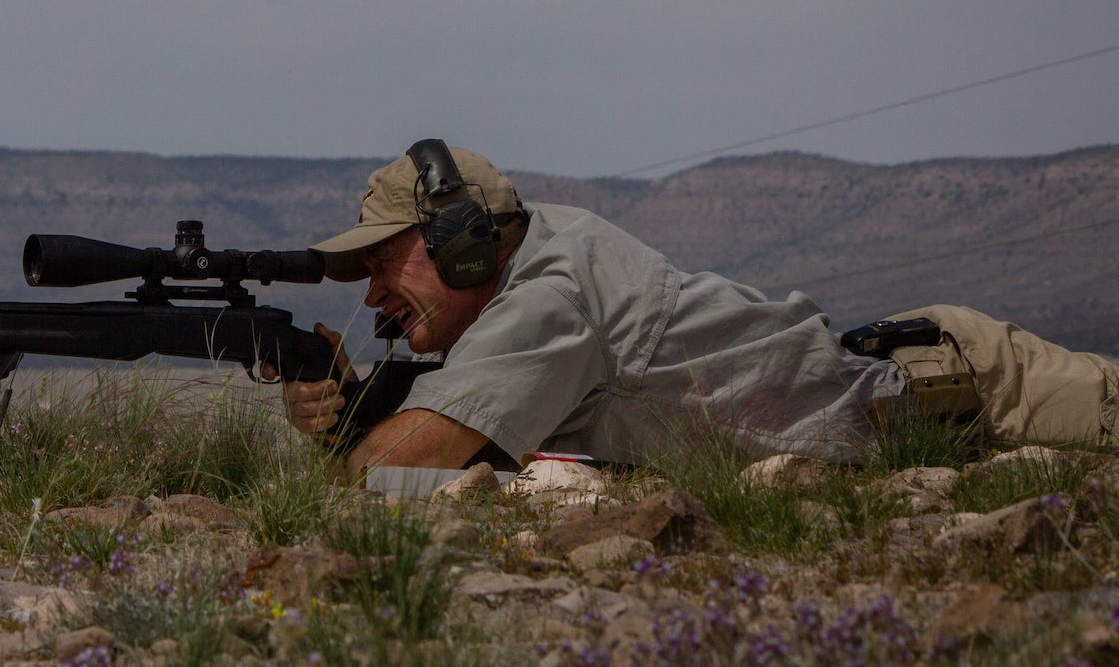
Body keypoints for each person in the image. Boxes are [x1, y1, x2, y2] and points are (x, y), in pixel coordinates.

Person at [279, 139, 1119, 474]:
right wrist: (348, 405)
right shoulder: (528, 274)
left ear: (466, 239)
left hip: (986, 386)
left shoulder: (549, 297)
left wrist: (355, 436)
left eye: (387, 257)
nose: (373, 289)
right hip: (927, 407)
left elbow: (391, 472)